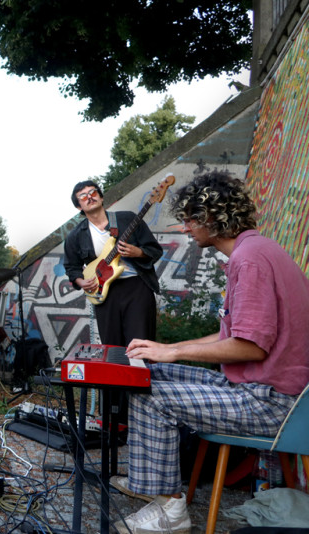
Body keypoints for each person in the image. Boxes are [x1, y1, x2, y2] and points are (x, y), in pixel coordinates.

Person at [111, 171, 309, 534]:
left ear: (213, 218)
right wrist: (167, 350)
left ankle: (170, 511)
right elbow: (229, 334)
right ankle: (153, 486)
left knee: (150, 394)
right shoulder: (258, 250)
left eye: (190, 219)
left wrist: (172, 352)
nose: (185, 228)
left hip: (275, 403)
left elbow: (250, 346)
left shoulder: (249, 261)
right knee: (144, 375)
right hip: (264, 391)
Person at [64, 180, 164, 346]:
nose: (89, 197)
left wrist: (138, 252)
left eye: (93, 192)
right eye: (83, 196)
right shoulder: (76, 236)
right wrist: (82, 282)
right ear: (79, 207)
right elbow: (71, 267)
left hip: (136, 288)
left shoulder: (127, 219)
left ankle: (140, 371)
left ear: (101, 197)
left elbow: (155, 250)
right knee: (112, 346)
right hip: (104, 293)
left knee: (140, 344)